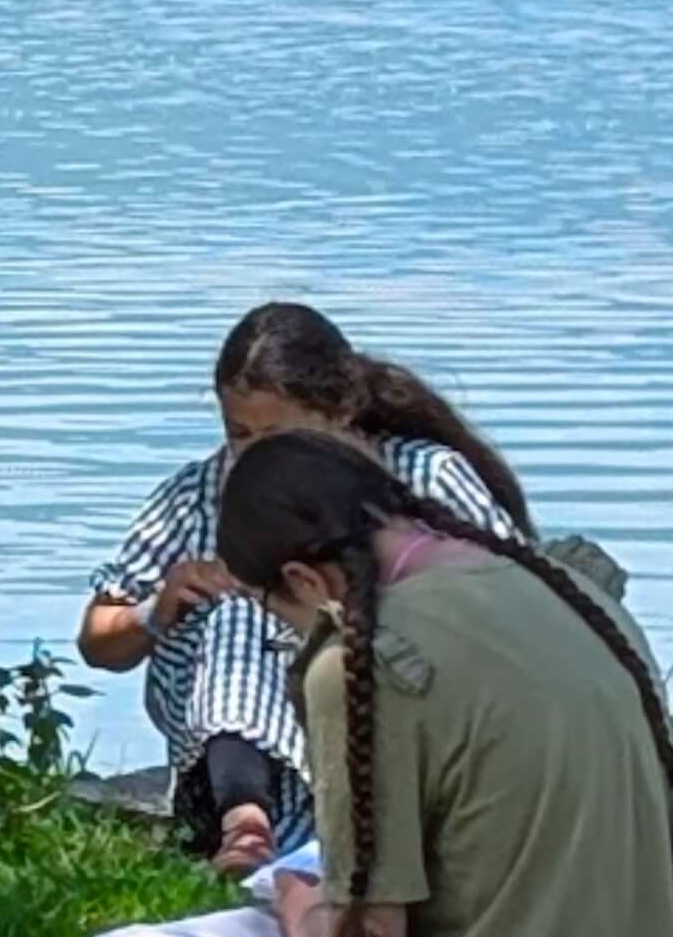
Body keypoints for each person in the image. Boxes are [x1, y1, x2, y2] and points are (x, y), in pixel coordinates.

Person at [21, 428, 673, 937]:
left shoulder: (364, 655)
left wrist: (295, 898)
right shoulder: (574, 595)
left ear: (302, 582)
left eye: (276, 618)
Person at [80, 302, 534, 876]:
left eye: (279, 435)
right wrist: (157, 608)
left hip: (396, 692)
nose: (257, 455)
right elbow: (97, 640)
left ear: (339, 413)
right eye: (239, 435)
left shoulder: (424, 477)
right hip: (231, 711)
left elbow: (517, 601)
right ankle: (243, 821)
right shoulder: (197, 493)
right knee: (237, 613)